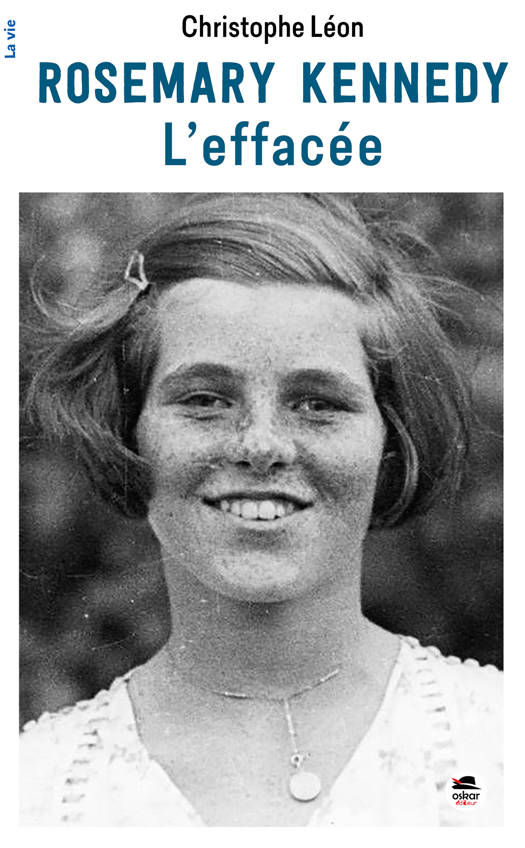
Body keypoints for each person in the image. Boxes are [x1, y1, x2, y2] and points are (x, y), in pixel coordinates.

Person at [20, 194, 502, 826]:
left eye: (319, 403)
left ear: (392, 441)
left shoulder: (492, 753)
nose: (262, 446)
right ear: (127, 429)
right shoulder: (38, 790)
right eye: (204, 400)